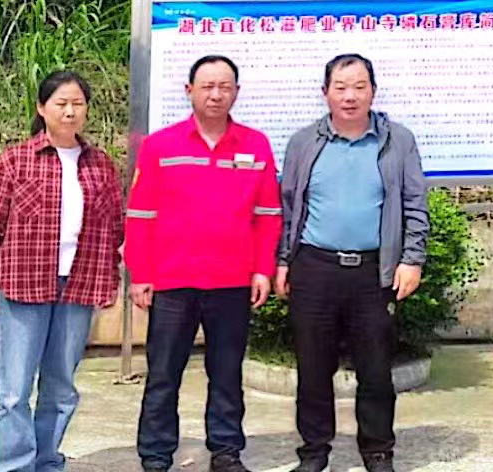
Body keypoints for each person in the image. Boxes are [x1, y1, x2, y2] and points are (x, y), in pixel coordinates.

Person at [125, 55, 282, 472]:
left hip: (232, 281)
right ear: (189, 90)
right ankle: (156, 455)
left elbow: (268, 215)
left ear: (236, 92)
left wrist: (262, 269)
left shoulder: (255, 145)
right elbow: (140, 215)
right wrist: (141, 274)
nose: (216, 94)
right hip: (172, 282)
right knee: (163, 374)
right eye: (207, 86)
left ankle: (226, 451)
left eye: (225, 86)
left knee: (227, 373)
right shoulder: (160, 146)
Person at [274, 54, 429, 472]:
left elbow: (415, 203)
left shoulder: (397, 141)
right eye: (340, 87)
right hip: (314, 268)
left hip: (372, 272)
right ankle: (314, 452)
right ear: (325, 92)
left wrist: (412, 259)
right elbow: (287, 207)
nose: (350, 96)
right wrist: (283, 261)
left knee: (376, 369)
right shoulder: (304, 142)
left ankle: (377, 450)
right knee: (313, 368)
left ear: (373, 91)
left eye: (360, 87)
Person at [0, 71, 124, 472]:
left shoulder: (100, 165)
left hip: (79, 285)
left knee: (60, 387)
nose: (70, 111)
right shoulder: (15, 159)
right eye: (61, 103)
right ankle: (13, 466)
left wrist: (110, 280)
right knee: (14, 389)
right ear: (42, 108)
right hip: (23, 284)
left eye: (77, 103)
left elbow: (115, 227)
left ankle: (45, 461)